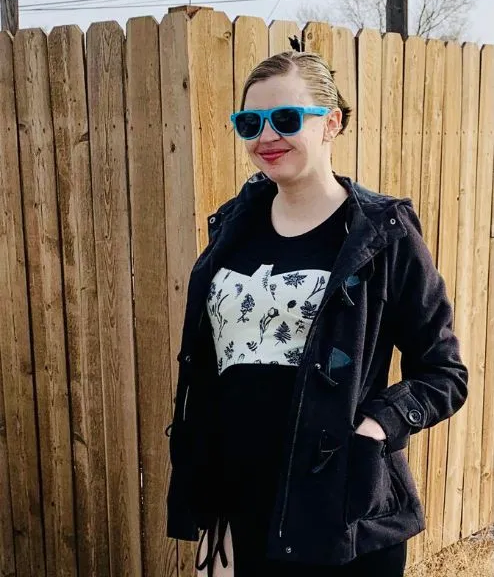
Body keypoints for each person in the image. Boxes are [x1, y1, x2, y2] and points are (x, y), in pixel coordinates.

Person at [166, 51, 468, 577]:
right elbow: (212, 379)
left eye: (285, 119)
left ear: (331, 123)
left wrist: (377, 426)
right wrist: (214, 517)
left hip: (341, 517)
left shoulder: (382, 236)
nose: (266, 136)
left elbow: (443, 373)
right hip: (244, 511)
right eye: (249, 122)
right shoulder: (232, 233)